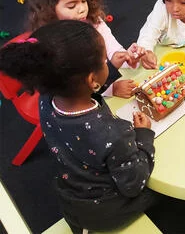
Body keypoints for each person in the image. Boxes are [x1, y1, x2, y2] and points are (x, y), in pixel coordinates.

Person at [0, 20, 159, 233]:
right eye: (104, 61)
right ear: (92, 79)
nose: (107, 63)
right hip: (108, 211)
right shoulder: (113, 133)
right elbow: (133, 183)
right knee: (158, 190)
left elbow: (84, 89)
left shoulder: (46, 100)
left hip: (70, 199)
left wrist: (108, 70)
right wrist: (144, 136)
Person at [26, 0, 139, 98]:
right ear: (48, 10)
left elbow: (113, 49)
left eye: (84, 0)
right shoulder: (56, 47)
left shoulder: (93, 20)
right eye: (72, 6)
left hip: (103, 78)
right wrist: (111, 89)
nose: (82, 9)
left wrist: (126, 58)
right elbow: (74, 90)